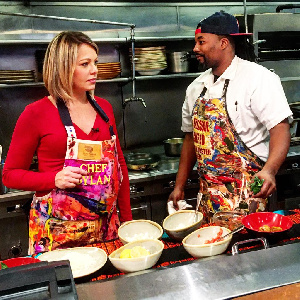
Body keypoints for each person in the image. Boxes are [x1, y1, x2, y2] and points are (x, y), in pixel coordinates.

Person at [2, 31, 132, 254]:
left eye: (95, 62)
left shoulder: (104, 109)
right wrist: (53, 179)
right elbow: (10, 174)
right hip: (58, 235)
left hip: (105, 233)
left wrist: (128, 222)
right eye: (85, 63)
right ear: (63, 67)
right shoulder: (35, 113)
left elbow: (119, 167)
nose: (95, 70)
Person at [168, 12, 292, 222]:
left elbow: (280, 128)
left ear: (223, 42)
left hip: (250, 196)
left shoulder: (258, 79)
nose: (195, 49)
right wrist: (179, 186)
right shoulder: (195, 88)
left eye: (201, 41)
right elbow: (190, 139)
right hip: (208, 198)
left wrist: (270, 170)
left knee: (249, 252)